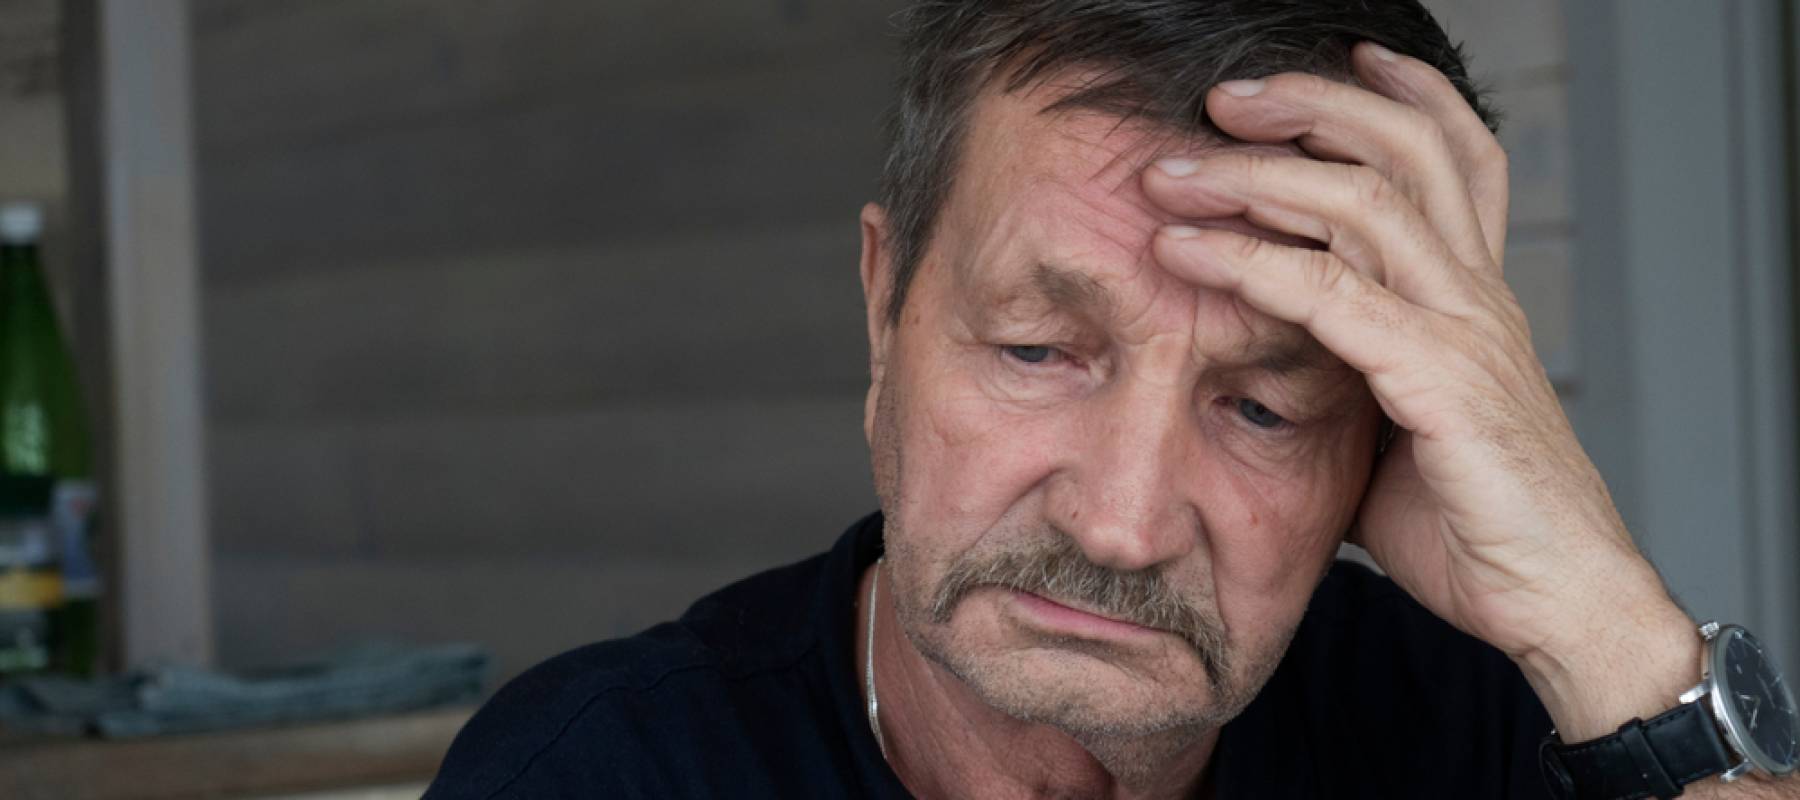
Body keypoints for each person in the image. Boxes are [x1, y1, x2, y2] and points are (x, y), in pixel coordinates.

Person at [425, 2, 1800, 798]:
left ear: (1380, 436)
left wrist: (1597, 616)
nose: (1124, 525)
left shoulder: (1480, 732)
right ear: (882, 309)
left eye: (1264, 407)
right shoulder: (602, 771)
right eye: (1037, 351)